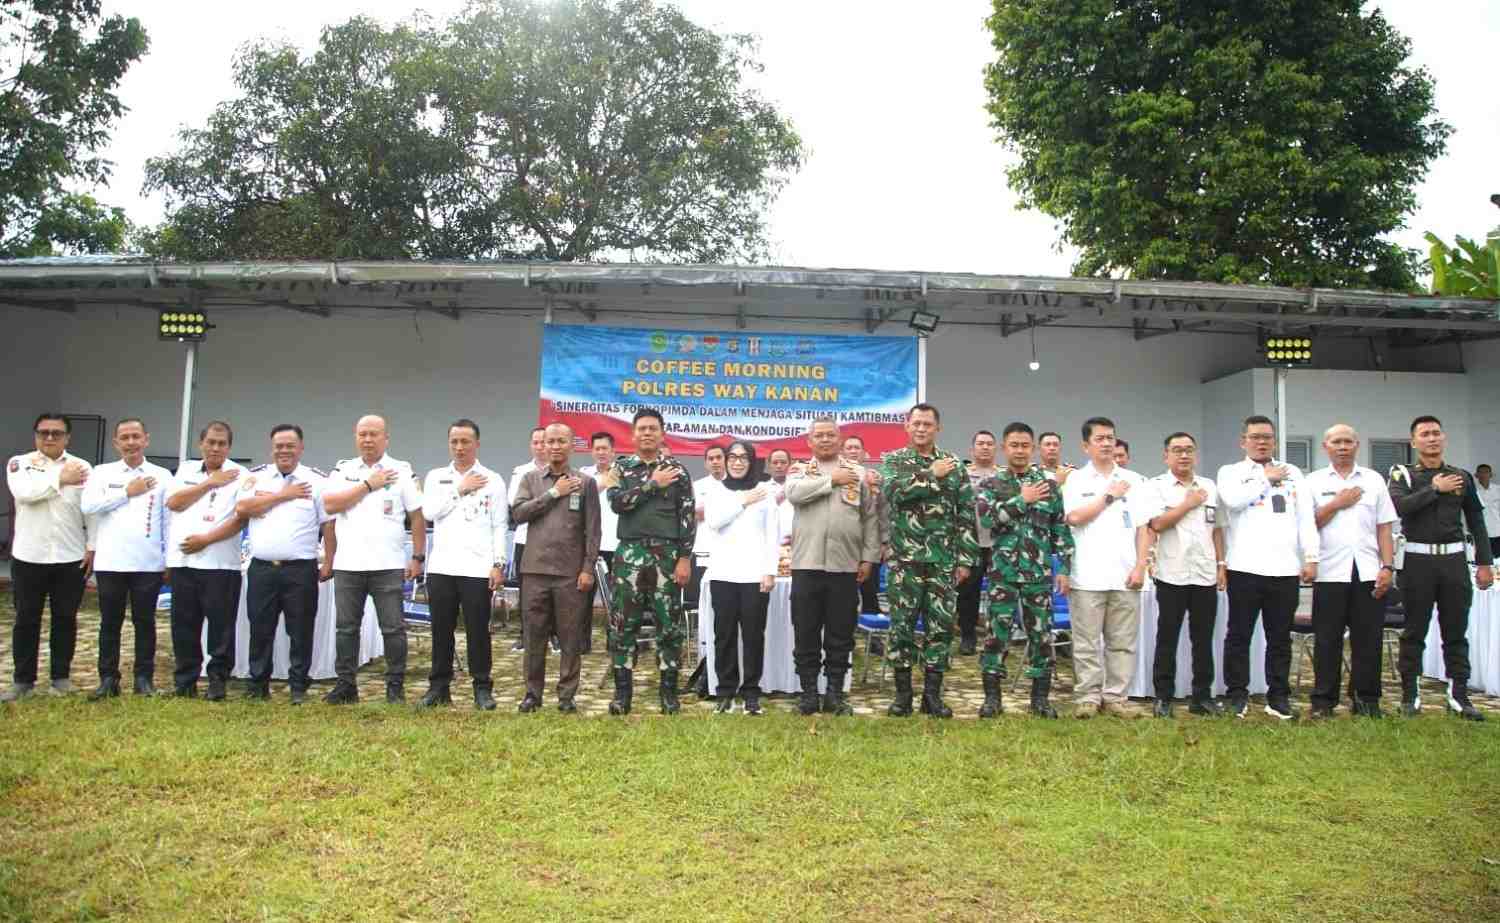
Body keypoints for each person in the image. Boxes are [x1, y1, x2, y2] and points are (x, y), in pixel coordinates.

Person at [1388, 415, 1494, 720]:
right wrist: (1434, 488)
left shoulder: (1461, 476)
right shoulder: (1402, 475)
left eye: (1436, 433)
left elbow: (1476, 520)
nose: (1432, 439)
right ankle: (1411, 695)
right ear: (1414, 442)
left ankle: (1459, 695)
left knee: (1456, 631)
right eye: (1425, 434)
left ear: (1443, 438)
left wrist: (1485, 563)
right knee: (1414, 630)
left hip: (1453, 561)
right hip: (1417, 561)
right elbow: (1399, 508)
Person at [1215, 415, 1319, 720]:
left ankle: (1278, 697)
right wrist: (1265, 479)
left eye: (1268, 437)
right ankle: (1237, 695)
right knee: (1239, 635)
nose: (1262, 442)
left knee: (1280, 638)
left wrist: (1311, 557)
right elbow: (1232, 502)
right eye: (1255, 437)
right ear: (1243, 441)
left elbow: (1305, 519)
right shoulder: (1231, 472)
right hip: (1244, 568)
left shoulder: (1293, 473)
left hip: (1285, 569)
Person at [879, 402, 978, 718]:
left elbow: (965, 513)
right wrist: (930, 475)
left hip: (942, 561)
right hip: (904, 562)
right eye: (916, 423)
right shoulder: (894, 461)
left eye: (928, 424)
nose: (921, 429)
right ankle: (903, 696)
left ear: (938, 428)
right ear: (907, 426)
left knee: (940, 628)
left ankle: (932, 696)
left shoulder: (954, 465)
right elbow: (894, 493)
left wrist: (965, 559)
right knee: (902, 627)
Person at [320, 415, 426, 705]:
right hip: (349, 564)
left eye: (374, 434)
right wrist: (368, 484)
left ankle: (395, 686)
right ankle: (346, 686)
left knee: (393, 628)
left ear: (386, 438)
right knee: (346, 628)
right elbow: (330, 505)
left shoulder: (401, 471)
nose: (368, 439)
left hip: (387, 564)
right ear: (355, 437)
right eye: (362, 434)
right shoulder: (343, 470)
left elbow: (417, 517)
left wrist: (417, 556)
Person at [972, 422, 1073, 718]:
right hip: (1002, 573)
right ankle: (993, 698)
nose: (1019, 450)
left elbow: (1061, 530)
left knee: (1041, 635)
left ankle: (1039, 699)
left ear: (1033, 448)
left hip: (1037, 575)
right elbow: (987, 520)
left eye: (1025, 445)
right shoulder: (992, 483)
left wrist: (1064, 568)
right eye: (1014, 445)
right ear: (1005, 448)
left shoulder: (1049, 486)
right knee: (996, 635)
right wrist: (1021, 500)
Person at [602, 408, 695, 715]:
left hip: (666, 559)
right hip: (629, 556)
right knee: (622, 625)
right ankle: (622, 695)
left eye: (653, 428)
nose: (647, 433)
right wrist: (652, 484)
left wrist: (684, 558)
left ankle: (668, 694)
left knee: (668, 626)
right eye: (641, 428)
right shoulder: (621, 467)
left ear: (662, 432)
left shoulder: (678, 470)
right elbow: (616, 503)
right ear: (633, 434)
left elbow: (687, 517)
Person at [234, 424, 332, 704]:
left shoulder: (316, 481)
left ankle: (298, 686)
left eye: (290, 445)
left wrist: (330, 561)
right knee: (260, 628)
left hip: (299, 569)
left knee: (300, 630)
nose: (284, 451)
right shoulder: (256, 478)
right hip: (262, 568)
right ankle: (258, 684)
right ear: (271, 448)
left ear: (301, 448)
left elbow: (328, 526)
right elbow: (242, 509)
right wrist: (283, 495)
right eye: (279, 446)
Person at [788, 419, 880, 715]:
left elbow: (870, 519)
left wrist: (868, 558)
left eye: (830, 435)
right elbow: (794, 494)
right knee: (806, 632)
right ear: (809, 442)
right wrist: (831, 481)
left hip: (845, 567)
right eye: (819, 436)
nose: (825, 440)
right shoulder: (800, 471)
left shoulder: (861, 474)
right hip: (807, 565)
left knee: (841, 634)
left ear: (840, 439)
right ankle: (808, 693)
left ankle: (835, 693)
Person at [1306, 424, 1396, 719]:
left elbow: (1384, 527)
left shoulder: (1373, 480)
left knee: (1368, 638)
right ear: (1325, 447)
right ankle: (1323, 701)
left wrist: (1387, 565)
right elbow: (1308, 525)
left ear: (1357, 445)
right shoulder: (1313, 482)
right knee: (1327, 639)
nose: (1342, 447)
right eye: (1336, 442)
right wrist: (1336, 503)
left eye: (1347, 442)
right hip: (1330, 571)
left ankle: (1366, 699)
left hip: (1368, 570)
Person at [1062, 416, 1149, 718]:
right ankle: (1087, 696)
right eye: (1099, 438)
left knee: (1122, 642)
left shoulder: (1134, 480)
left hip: (1125, 574)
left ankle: (1116, 697)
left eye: (1111, 437)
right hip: (1087, 574)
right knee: (1086, 642)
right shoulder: (1076, 480)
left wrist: (1140, 566)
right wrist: (1110, 496)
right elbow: (1074, 518)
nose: (1107, 443)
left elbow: (1143, 528)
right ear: (1086, 446)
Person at [510, 423, 601, 713]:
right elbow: (519, 514)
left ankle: (566, 696)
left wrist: (588, 568)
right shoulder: (530, 479)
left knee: (570, 637)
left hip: (570, 574)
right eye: (550, 441)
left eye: (562, 441)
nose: (555, 446)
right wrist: (554, 493)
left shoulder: (585, 483)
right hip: (535, 571)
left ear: (572, 445)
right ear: (542, 445)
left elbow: (593, 530)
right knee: (533, 636)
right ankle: (532, 694)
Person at [2, 414, 93, 701]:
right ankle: (23, 681)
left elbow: (90, 511)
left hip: (69, 557)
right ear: (35, 436)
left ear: (68, 437)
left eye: (56, 433)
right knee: (26, 619)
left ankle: (60, 678)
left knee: (65, 618)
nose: (50, 438)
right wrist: (60, 479)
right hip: (29, 556)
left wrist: (93, 547)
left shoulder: (82, 467)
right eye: (43, 433)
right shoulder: (20, 463)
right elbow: (25, 493)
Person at [419, 418, 508, 710]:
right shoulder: (436, 477)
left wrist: (498, 563)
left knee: (477, 631)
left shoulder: (493, 479)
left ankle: (482, 687)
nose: (459, 447)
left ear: (477, 444)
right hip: (442, 567)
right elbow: (430, 512)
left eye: (465, 441)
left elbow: (499, 525)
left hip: (477, 568)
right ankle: (439, 687)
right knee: (440, 629)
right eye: (454, 441)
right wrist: (460, 488)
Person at [80, 419, 170, 699]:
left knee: (145, 622)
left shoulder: (163, 475)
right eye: (125, 437)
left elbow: (167, 519)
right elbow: (89, 505)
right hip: (111, 562)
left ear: (146, 439)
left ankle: (144, 679)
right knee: (110, 622)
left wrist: (168, 558)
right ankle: (108, 679)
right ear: (116, 443)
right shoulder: (102, 473)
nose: (131, 442)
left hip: (148, 562)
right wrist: (126, 493)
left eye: (136, 436)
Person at [1142, 432, 1225, 717]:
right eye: (1177, 450)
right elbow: (1157, 524)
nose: (1184, 455)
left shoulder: (1209, 486)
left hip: (1204, 574)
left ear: (1196, 454)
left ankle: (1202, 697)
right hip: (1171, 573)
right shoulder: (1157, 487)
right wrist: (1187, 504)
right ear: (1166, 456)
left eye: (1189, 450)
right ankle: (1163, 697)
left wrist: (1221, 564)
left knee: (1203, 639)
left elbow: (1217, 529)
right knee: (1167, 638)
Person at [163, 421, 246, 700]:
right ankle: (185, 681)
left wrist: (206, 540)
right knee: (184, 624)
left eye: (222, 443)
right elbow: (174, 503)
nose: (215, 448)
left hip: (220, 564)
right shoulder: (186, 469)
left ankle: (217, 681)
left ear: (229, 447)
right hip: (184, 564)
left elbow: (240, 520)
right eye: (210, 442)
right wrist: (209, 482)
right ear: (201, 444)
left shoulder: (241, 475)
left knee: (221, 627)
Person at [699, 440, 779, 714]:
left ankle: (751, 692)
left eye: (743, 457)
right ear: (725, 460)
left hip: (755, 576)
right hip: (722, 575)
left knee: (754, 636)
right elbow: (714, 521)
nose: (737, 462)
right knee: (724, 635)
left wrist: (770, 571)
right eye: (732, 457)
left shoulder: (765, 492)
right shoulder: (716, 491)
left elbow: (773, 535)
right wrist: (743, 501)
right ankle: (725, 691)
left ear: (751, 461)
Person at [956, 430, 998, 655]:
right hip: (970, 543)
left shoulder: (1003, 475)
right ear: (972, 449)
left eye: (989, 444)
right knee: (968, 594)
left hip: (998, 544)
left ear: (996, 449)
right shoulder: (962, 475)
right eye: (980, 444)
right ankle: (967, 635)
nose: (985, 447)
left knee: (999, 593)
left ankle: (995, 636)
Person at [579, 432, 620, 652]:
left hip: (616, 543)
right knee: (584, 595)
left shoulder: (622, 474)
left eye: (605, 448)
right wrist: (601, 484)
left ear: (613, 451)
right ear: (592, 451)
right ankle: (582, 642)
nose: (601, 452)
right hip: (590, 543)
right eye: (597, 449)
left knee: (616, 597)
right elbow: (579, 497)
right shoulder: (584, 474)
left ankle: (613, 640)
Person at [507, 426, 547, 652]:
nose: (540, 447)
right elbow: (516, 505)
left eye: (544, 442)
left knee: (552, 590)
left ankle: (552, 635)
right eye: (536, 442)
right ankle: (525, 635)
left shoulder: (561, 471)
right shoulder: (520, 471)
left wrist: (536, 502)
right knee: (527, 591)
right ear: (531, 445)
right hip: (526, 539)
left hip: (553, 540)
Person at [842, 434, 885, 627]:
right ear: (842, 452)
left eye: (856, 447)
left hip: (869, 545)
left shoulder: (875, 479)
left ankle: (871, 635)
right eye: (849, 447)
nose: (852, 451)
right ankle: (847, 628)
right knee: (845, 593)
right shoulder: (836, 476)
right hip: (844, 545)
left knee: (870, 591)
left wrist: (884, 542)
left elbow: (883, 513)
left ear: (864, 453)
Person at [687, 443, 727, 610]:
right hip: (704, 548)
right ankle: (703, 635)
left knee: (725, 599)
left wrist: (709, 510)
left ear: (726, 460)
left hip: (729, 549)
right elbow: (693, 514)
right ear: (705, 463)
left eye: (719, 458)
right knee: (704, 598)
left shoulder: (736, 485)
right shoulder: (698, 486)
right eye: (711, 459)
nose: (715, 462)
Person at [1477, 463, 1500, 560]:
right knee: (1486, 560)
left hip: (1498, 530)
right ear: (1476, 475)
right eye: (1480, 472)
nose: (1483, 475)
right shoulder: (1474, 491)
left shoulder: (1498, 489)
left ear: (1490, 474)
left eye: (1486, 472)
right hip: (1482, 532)